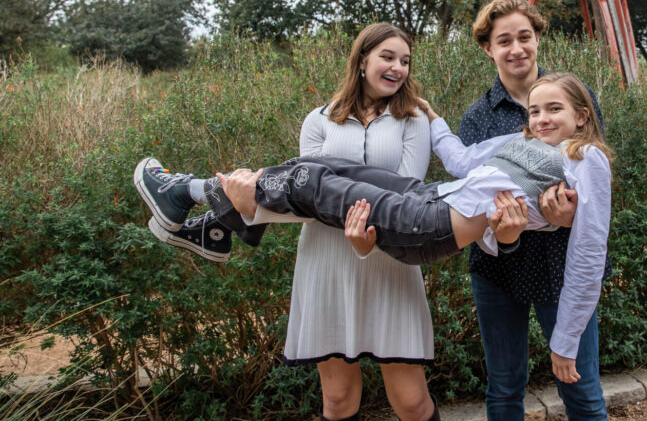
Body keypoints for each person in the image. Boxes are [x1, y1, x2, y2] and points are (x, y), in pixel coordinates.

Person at [133, 72, 612, 384]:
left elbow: (589, 251)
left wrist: (565, 340)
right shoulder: (521, 140)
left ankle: (186, 193)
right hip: (430, 198)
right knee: (325, 166)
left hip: (429, 225)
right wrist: (433, 116)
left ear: (582, 117)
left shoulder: (587, 159)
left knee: (313, 182)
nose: (541, 119)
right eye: (534, 110)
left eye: (554, 110)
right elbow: (463, 161)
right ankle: (211, 226)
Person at [146, 23, 439, 421]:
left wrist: (368, 239)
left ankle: (209, 211)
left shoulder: (413, 119)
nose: (398, 68)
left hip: (388, 258)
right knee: (337, 399)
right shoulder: (319, 120)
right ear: (362, 60)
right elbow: (307, 202)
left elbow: (405, 196)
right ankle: (215, 210)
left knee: (410, 400)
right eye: (387, 57)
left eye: (405, 61)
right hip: (327, 261)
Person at [458, 0, 608, 420]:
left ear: (538, 38)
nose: (516, 48)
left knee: (580, 385)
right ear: (489, 49)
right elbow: (475, 202)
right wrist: (504, 237)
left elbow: (595, 189)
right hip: (499, 268)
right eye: (504, 40)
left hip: (563, 263)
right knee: (504, 387)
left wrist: (569, 218)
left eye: (525, 36)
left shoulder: (576, 96)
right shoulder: (477, 119)